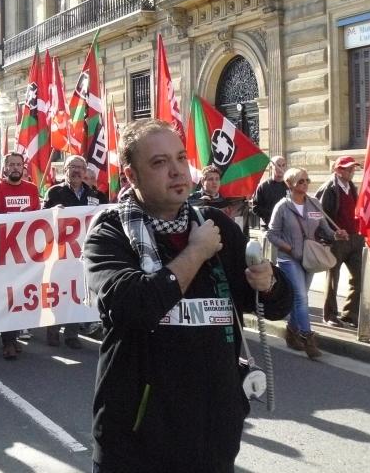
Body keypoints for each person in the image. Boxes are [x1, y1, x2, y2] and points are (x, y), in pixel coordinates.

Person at [82, 119, 291, 473]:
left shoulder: (212, 223)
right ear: (132, 177)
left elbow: (277, 305)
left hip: (212, 438)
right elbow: (134, 306)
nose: (177, 171)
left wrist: (269, 282)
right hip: (136, 442)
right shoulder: (109, 231)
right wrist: (195, 254)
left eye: (181, 158)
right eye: (160, 163)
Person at [267, 167, 345, 358]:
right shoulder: (282, 207)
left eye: (307, 180)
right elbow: (271, 234)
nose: (305, 184)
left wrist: (336, 235)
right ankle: (308, 338)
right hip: (289, 259)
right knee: (301, 297)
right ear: (290, 184)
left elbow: (325, 230)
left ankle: (291, 332)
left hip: (308, 259)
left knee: (299, 296)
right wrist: (289, 249)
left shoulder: (314, 204)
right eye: (301, 181)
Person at [42, 155, 107, 349]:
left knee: (77, 292)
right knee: (58, 291)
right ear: (66, 170)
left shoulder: (96, 196)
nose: (77, 171)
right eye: (73, 167)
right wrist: (53, 212)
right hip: (61, 253)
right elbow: (41, 219)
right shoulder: (55, 192)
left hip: (84, 254)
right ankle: (53, 330)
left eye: (81, 167)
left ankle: (71, 334)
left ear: (85, 172)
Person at [0, 152, 41, 359]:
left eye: (19, 164)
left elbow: (38, 219)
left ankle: (14, 336)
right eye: (12, 165)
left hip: (26, 253)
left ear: (23, 167)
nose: (15, 168)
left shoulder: (33, 190)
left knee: (20, 296)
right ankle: (7, 340)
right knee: (6, 297)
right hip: (4, 253)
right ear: (5, 168)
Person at [315, 156, 364, 328]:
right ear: (338, 170)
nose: (352, 171)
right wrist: (333, 234)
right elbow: (320, 217)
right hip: (337, 240)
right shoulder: (329, 188)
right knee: (333, 279)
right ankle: (329, 315)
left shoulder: (351, 186)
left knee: (359, 277)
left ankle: (350, 314)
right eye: (348, 168)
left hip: (354, 239)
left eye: (353, 168)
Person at [252, 156, 288, 229]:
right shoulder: (263, 186)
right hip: (268, 228)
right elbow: (255, 208)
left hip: (287, 228)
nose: (281, 168)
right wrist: (273, 214)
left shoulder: (290, 186)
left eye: (283, 165)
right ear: (272, 167)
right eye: (278, 165)